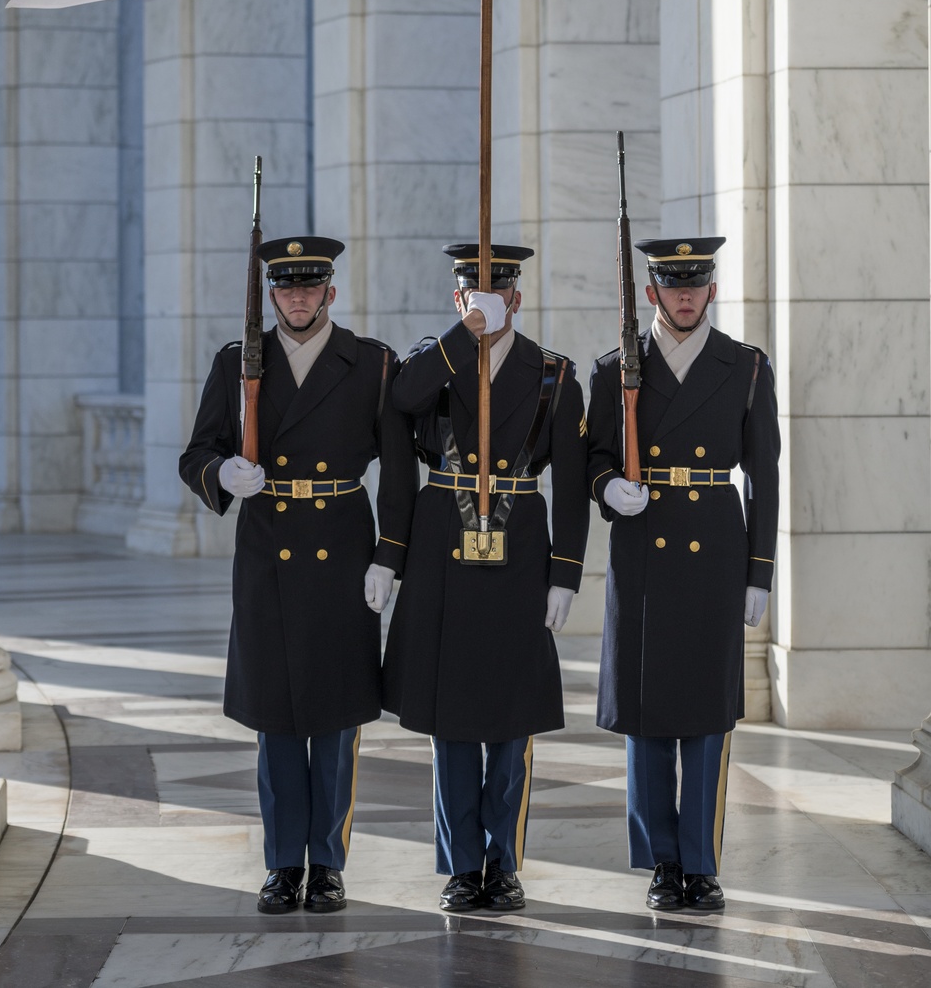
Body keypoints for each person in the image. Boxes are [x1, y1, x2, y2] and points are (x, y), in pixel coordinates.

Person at [179, 235, 418, 916]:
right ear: (273, 295)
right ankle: (284, 864)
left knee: (337, 719)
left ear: (331, 294)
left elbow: (400, 472)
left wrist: (388, 556)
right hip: (268, 551)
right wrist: (223, 473)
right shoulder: (238, 362)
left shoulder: (371, 364)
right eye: (286, 289)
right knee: (276, 718)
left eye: (311, 288)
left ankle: (329, 864)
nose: (299, 299)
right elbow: (198, 450)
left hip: (343, 549)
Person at [382, 243, 590, 913]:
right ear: (458, 300)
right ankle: (460, 865)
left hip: (518, 551)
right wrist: (457, 341)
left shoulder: (553, 375)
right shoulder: (434, 363)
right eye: (475, 294)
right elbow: (400, 403)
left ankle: (503, 864)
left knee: (510, 717)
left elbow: (576, 484)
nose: (487, 304)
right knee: (451, 719)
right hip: (444, 548)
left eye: (498, 295)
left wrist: (566, 573)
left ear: (518, 300)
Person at [587, 236, 779, 913]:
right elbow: (596, 454)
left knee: (705, 718)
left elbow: (764, 474)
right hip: (643, 551)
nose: (686, 293)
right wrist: (610, 486)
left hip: (714, 553)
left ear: (713, 289)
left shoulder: (747, 367)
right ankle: (662, 862)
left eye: (697, 282)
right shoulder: (616, 370)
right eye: (673, 284)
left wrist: (760, 571)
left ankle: (701, 863)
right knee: (647, 716)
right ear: (651, 294)